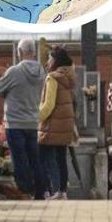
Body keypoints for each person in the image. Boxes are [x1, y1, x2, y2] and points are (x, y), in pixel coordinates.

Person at [0, 39, 46, 200]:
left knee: (19, 159)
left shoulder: (14, 71)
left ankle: (25, 191)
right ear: (34, 52)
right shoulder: (41, 72)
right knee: (35, 159)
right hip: (33, 122)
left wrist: (3, 76)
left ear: (20, 52)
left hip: (15, 123)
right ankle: (40, 191)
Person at [38, 45, 76, 199]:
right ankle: (62, 191)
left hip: (53, 124)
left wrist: (37, 118)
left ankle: (51, 190)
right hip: (65, 124)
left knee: (44, 156)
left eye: (49, 58)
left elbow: (49, 104)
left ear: (55, 60)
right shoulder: (68, 76)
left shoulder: (52, 78)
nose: (47, 61)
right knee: (61, 157)